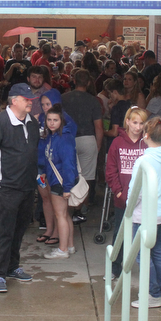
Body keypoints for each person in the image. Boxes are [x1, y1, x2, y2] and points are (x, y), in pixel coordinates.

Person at [0, 83, 40, 293]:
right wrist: (2, 177)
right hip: (7, 188)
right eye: (26, 99)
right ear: (14, 101)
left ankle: (13, 266)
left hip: (27, 186)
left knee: (20, 229)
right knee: (5, 231)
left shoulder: (32, 123)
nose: (30, 102)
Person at [127, 117, 161, 308]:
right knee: (158, 252)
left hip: (146, 215)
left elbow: (135, 192)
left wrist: (128, 209)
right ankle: (156, 292)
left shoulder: (144, 160)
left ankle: (152, 294)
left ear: (146, 135)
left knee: (141, 255)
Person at [105, 107, 148, 279]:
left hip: (144, 199)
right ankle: (115, 268)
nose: (137, 127)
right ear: (128, 121)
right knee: (120, 234)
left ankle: (145, 269)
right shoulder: (117, 143)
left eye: (141, 123)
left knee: (144, 234)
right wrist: (118, 192)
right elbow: (111, 171)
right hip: (123, 199)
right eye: (134, 122)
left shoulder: (147, 142)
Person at [61, 69, 103, 223]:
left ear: (73, 80)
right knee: (86, 177)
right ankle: (80, 209)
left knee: (66, 173)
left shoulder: (63, 98)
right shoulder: (94, 101)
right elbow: (98, 126)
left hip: (67, 139)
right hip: (87, 138)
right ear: (89, 82)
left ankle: (65, 206)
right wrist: (97, 146)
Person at [36, 89, 77, 246]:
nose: (46, 107)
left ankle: (60, 240)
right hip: (42, 169)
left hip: (57, 172)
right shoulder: (41, 119)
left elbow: (67, 158)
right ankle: (49, 229)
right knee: (45, 197)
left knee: (59, 206)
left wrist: (67, 185)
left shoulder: (66, 125)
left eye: (49, 104)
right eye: (43, 104)